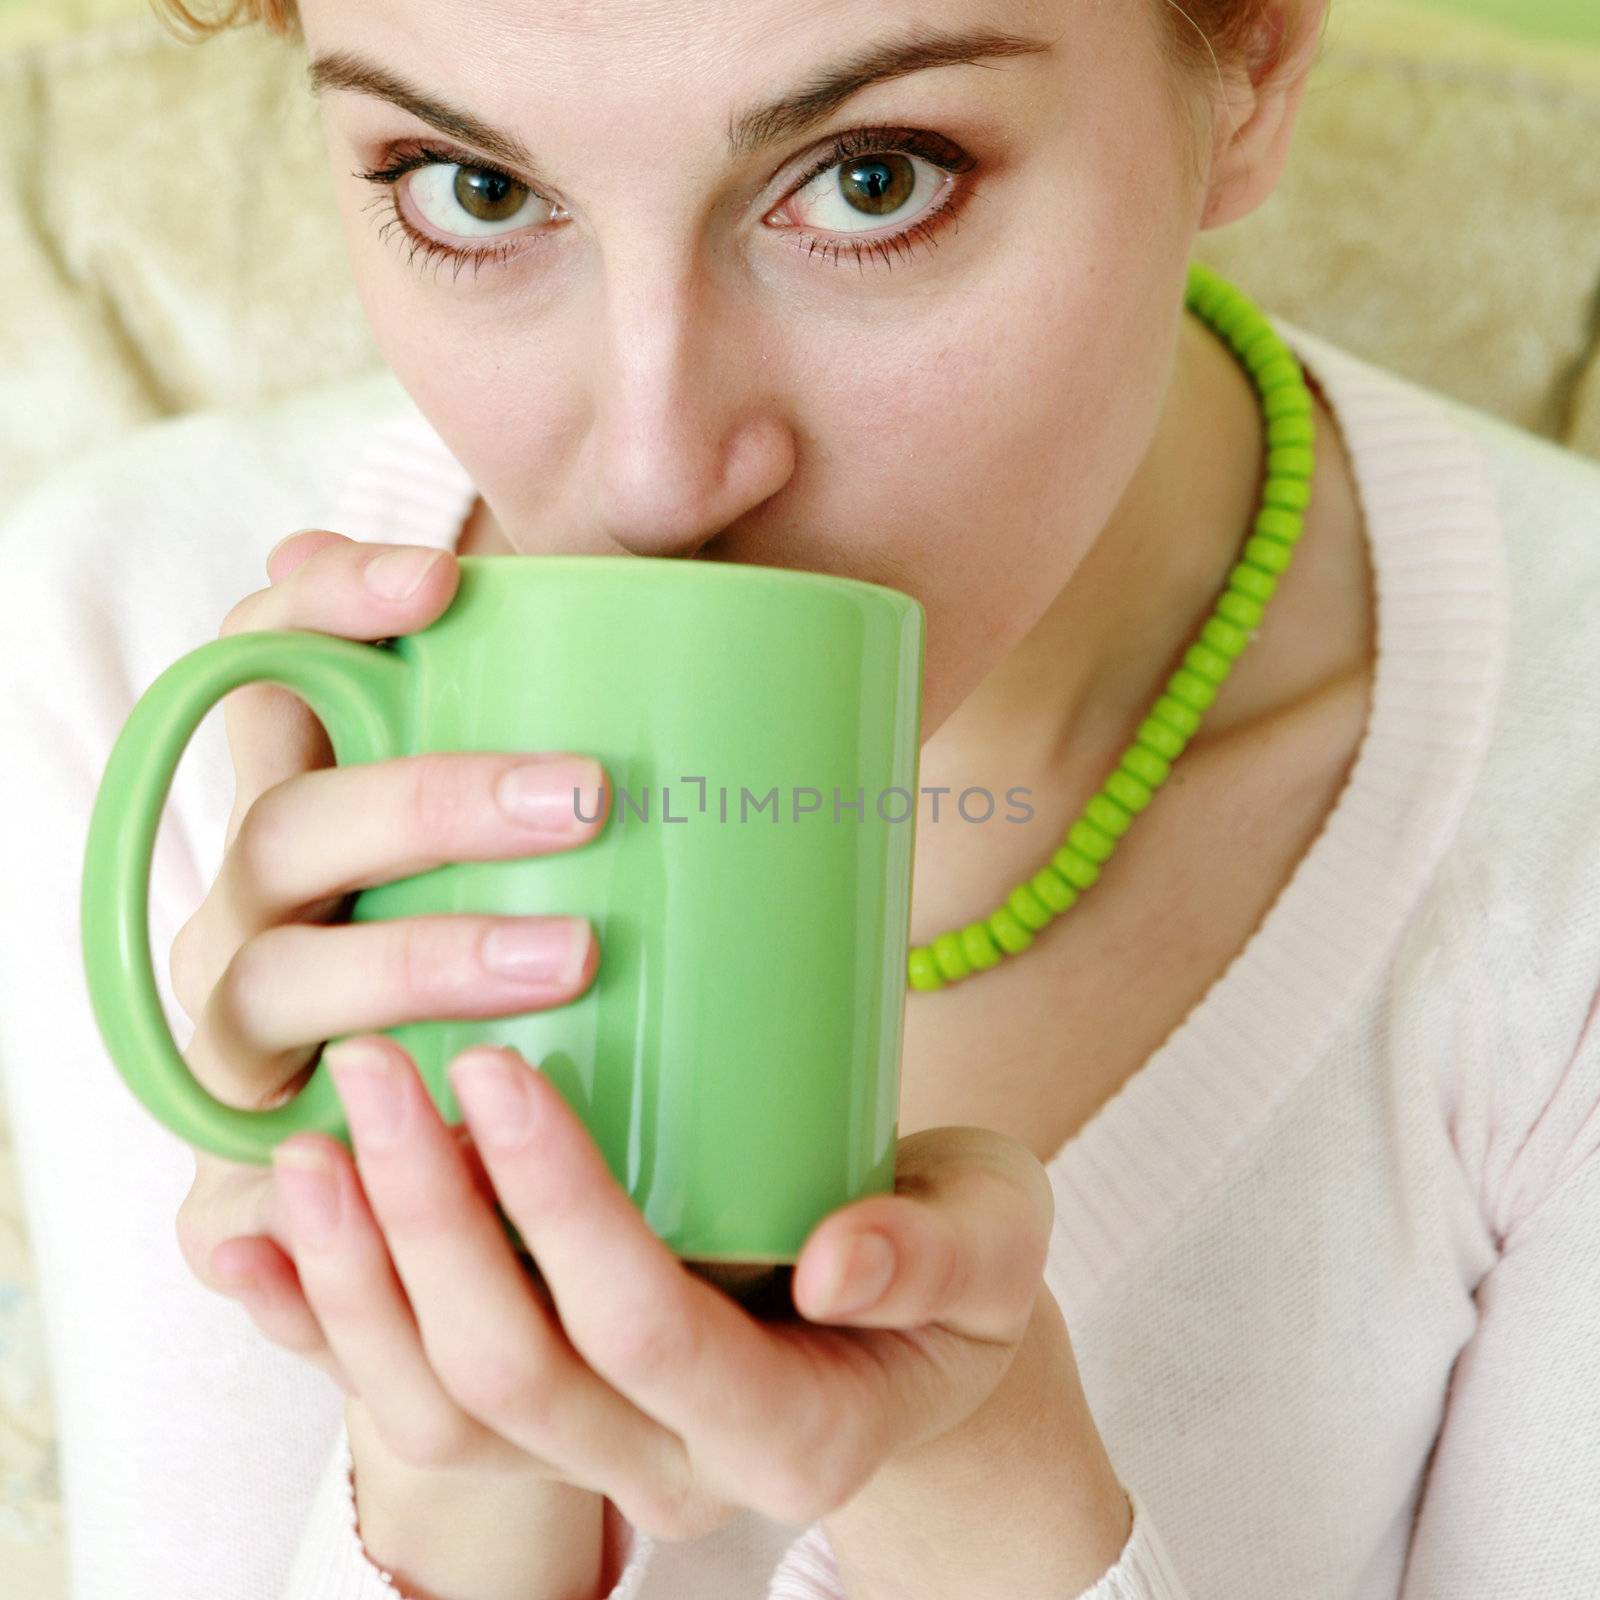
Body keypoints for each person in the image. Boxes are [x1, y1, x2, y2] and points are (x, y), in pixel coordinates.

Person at [1, 0, 1597, 1594]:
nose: (655, 471)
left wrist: (978, 1491)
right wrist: (450, 1487)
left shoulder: (1555, 815)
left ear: (1249, 62)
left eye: (876, 179)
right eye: (468, 187)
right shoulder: (140, 660)